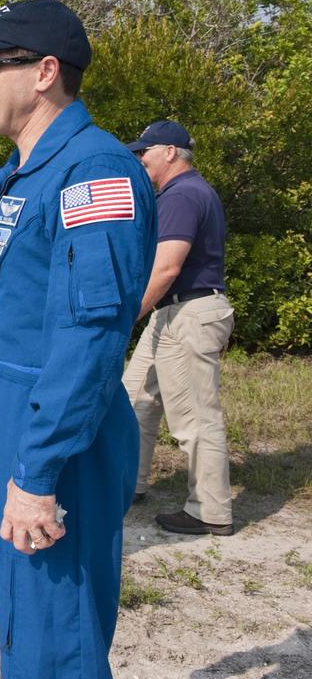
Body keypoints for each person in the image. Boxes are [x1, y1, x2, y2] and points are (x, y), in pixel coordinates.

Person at [0, 0, 156, 679]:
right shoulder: (33, 172)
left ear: (45, 73)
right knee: (30, 631)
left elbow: (89, 338)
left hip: (62, 446)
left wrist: (37, 473)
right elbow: (23, 322)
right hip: (22, 425)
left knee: (59, 647)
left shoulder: (95, 172)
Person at [122, 120, 235, 535]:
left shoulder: (183, 193)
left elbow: (167, 267)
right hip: (171, 314)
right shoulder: (179, 192)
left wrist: (126, 315)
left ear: (170, 152)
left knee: (194, 418)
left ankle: (210, 510)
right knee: (134, 399)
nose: (140, 159)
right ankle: (127, 483)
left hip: (188, 314)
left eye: (144, 151)